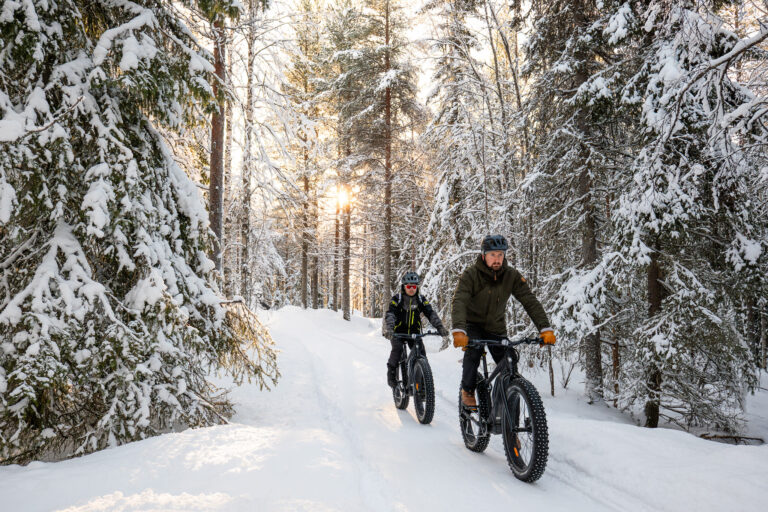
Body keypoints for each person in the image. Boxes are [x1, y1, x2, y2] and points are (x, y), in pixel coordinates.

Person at [451, 235, 556, 407]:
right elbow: (460, 301)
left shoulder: (511, 275)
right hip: (473, 325)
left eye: (500, 254)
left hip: (496, 327)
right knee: (473, 352)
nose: (497, 259)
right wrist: (459, 330)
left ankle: (506, 409)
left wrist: (545, 328)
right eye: (493, 255)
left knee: (509, 361)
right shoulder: (471, 275)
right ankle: (468, 390)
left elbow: (529, 300)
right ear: (484, 255)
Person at [383, 272, 449, 388]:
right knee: (397, 349)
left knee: (421, 353)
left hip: (414, 333)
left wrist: (440, 327)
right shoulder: (397, 299)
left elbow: (430, 313)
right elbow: (390, 314)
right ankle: (391, 373)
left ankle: (422, 383)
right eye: (409, 286)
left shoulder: (420, 299)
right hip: (397, 332)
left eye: (414, 286)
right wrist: (390, 329)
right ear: (404, 287)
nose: (411, 289)